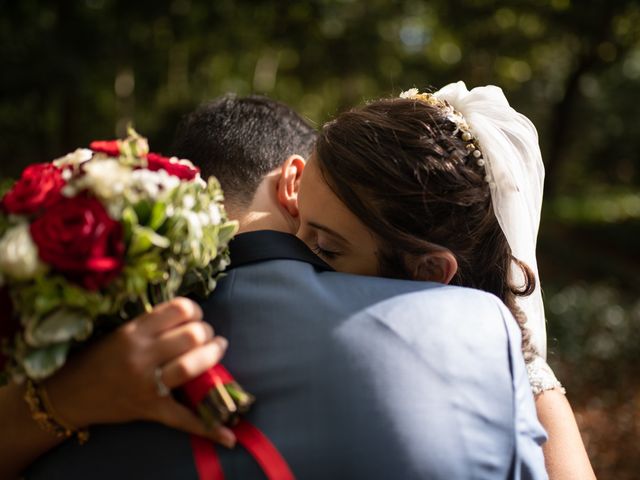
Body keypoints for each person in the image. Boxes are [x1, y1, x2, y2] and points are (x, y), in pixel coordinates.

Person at [20, 95, 546, 479]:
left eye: (328, 247)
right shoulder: (481, 328)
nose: (302, 247)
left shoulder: (69, 338)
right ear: (292, 182)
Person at [294, 82, 596, 479]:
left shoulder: (528, 395)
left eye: (326, 248)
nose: (291, 255)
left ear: (429, 271)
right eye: (293, 222)